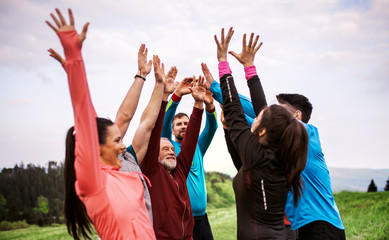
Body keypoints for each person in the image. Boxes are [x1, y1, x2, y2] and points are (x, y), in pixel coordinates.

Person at [46, 8, 156, 239]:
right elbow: (85, 119)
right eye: (117, 140)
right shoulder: (93, 182)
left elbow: (98, 118)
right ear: (94, 148)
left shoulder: (120, 172)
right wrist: (75, 61)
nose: (123, 145)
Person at [215, 27, 309, 239]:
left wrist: (223, 62)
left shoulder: (258, 156)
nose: (254, 118)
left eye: (258, 119)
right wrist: (249, 68)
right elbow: (263, 110)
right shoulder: (281, 154)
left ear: (264, 130)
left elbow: (233, 109)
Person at [141, 76, 207, 239]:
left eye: (172, 148)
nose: (172, 151)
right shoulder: (151, 172)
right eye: (165, 149)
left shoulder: (180, 172)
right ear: (154, 155)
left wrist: (198, 103)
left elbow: (190, 141)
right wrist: (166, 97)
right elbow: (155, 130)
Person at [277, 94, 346, 240]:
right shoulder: (288, 142)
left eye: (281, 112)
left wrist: (219, 90)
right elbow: (258, 120)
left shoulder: (308, 134)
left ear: (297, 115)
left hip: (322, 228)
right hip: (307, 228)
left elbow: (264, 117)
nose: (276, 115)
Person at [161, 72, 217, 240]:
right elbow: (164, 120)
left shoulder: (198, 146)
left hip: (203, 218)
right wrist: (176, 95)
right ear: (172, 129)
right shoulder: (168, 147)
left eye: (186, 123)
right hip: (183, 217)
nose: (183, 126)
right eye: (179, 124)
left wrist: (209, 105)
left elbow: (212, 127)